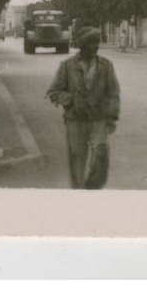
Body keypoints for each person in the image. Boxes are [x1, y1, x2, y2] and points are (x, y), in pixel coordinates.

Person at [46, 26, 120, 189]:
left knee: (101, 155)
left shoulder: (106, 66)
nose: (96, 46)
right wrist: (70, 100)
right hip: (75, 121)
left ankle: (92, 188)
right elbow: (53, 91)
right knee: (77, 161)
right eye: (92, 42)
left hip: (98, 119)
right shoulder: (67, 66)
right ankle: (79, 195)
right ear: (82, 44)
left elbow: (113, 93)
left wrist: (112, 116)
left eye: (97, 42)